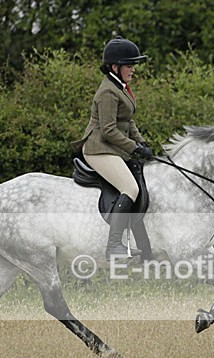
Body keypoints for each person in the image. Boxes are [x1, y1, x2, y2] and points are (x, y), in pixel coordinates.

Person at [79, 36, 154, 260]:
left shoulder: (121, 87)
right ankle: (114, 246)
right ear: (115, 66)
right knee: (130, 188)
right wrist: (134, 148)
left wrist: (142, 143)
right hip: (98, 148)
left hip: (111, 147)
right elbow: (109, 130)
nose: (133, 69)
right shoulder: (107, 93)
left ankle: (143, 248)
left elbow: (128, 121)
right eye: (129, 65)